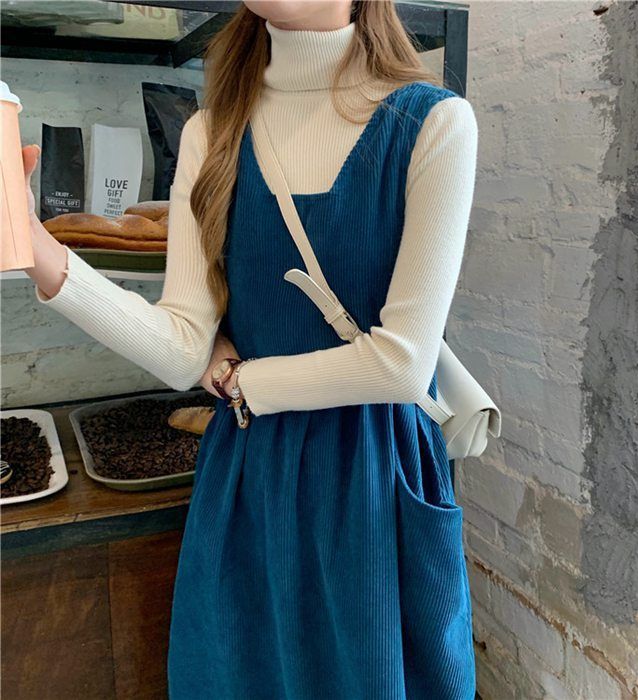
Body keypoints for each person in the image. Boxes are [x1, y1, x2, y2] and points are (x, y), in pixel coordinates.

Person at [23, 1, 479, 697]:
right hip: (249, 478)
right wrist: (37, 248)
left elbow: (401, 364)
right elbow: (182, 347)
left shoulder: (433, 123)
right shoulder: (212, 132)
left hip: (374, 476)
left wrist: (243, 382)